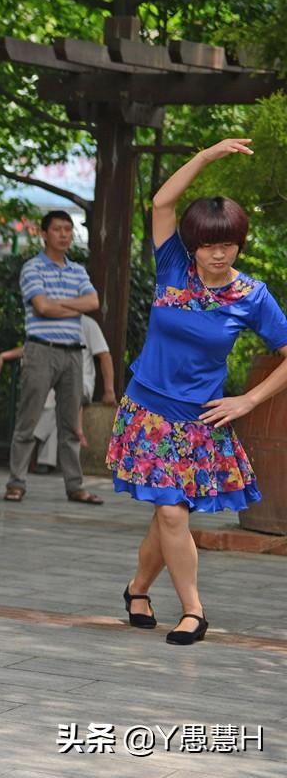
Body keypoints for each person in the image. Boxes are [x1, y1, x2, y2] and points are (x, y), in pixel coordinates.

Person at [109, 138, 287, 645]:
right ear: (193, 244)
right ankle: (193, 610)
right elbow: (161, 203)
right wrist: (208, 157)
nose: (217, 252)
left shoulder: (251, 296)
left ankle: (138, 588)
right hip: (146, 409)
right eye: (208, 243)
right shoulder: (172, 267)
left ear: (239, 243)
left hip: (198, 420)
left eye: (227, 243)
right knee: (170, 509)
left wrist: (249, 400)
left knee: (170, 510)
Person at [3, 211, 103, 504]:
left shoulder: (78, 271)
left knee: (71, 425)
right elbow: (41, 308)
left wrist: (56, 303)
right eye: (57, 229)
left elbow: (94, 302)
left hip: (73, 353)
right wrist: (73, 306)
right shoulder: (32, 268)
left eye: (68, 230)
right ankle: (16, 482)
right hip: (40, 350)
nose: (63, 235)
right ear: (43, 234)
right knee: (28, 419)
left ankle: (75, 486)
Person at [0, 314, 115, 473]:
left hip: (80, 381)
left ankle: (31, 437)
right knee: (50, 400)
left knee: (62, 399)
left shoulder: (88, 324)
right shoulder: (51, 323)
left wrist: (109, 390)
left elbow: (104, 355)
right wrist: (3, 355)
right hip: (54, 381)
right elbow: (31, 347)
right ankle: (45, 460)